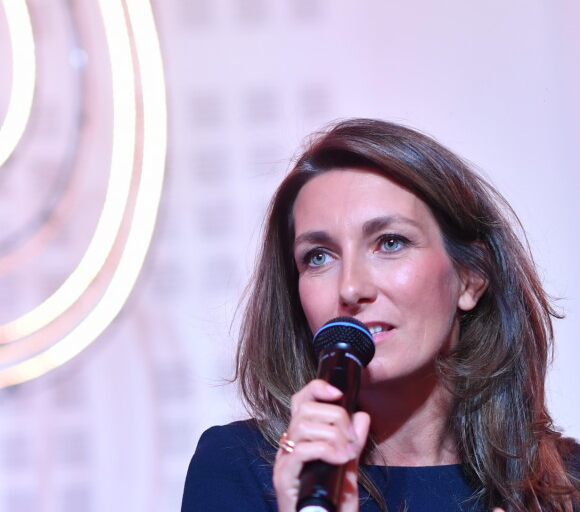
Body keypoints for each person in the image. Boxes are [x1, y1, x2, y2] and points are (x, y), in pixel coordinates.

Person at [181, 118, 580, 511]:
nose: (351, 288)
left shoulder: (567, 484)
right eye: (318, 257)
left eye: (390, 242)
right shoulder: (238, 468)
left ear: (470, 277)